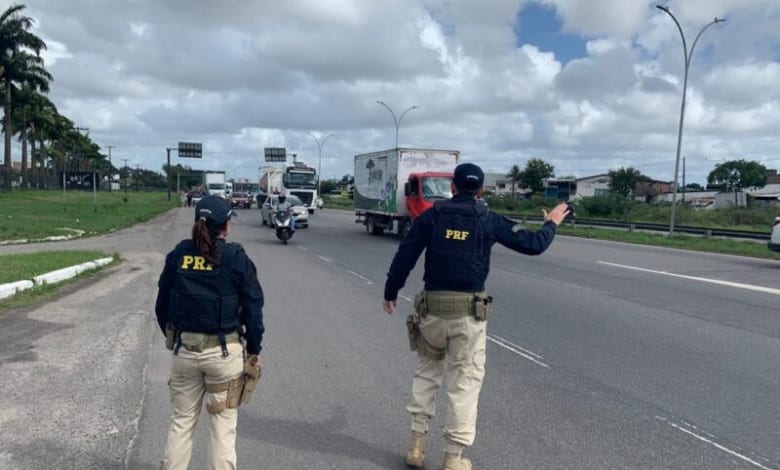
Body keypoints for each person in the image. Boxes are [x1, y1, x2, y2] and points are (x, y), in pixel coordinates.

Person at [382, 163, 569, 470]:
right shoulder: (488, 219)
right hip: (468, 317)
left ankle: (416, 448)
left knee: (427, 375)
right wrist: (551, 224)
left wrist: (391, 291)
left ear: (452, 187)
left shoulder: (431, 217)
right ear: (481, 190)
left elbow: (405, 256)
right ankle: (452, 459)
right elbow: (533, 245)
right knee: (464, 384)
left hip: (432, 313)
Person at [155, 195, 265, 470]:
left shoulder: (178, 255)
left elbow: (161, 307)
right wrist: (254, 349)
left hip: (184, 353)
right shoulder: (235, 258)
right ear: (225, 227)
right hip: (223, 356)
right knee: (222, 429)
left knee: (181, 423)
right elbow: (253, 309)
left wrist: (175, 338)